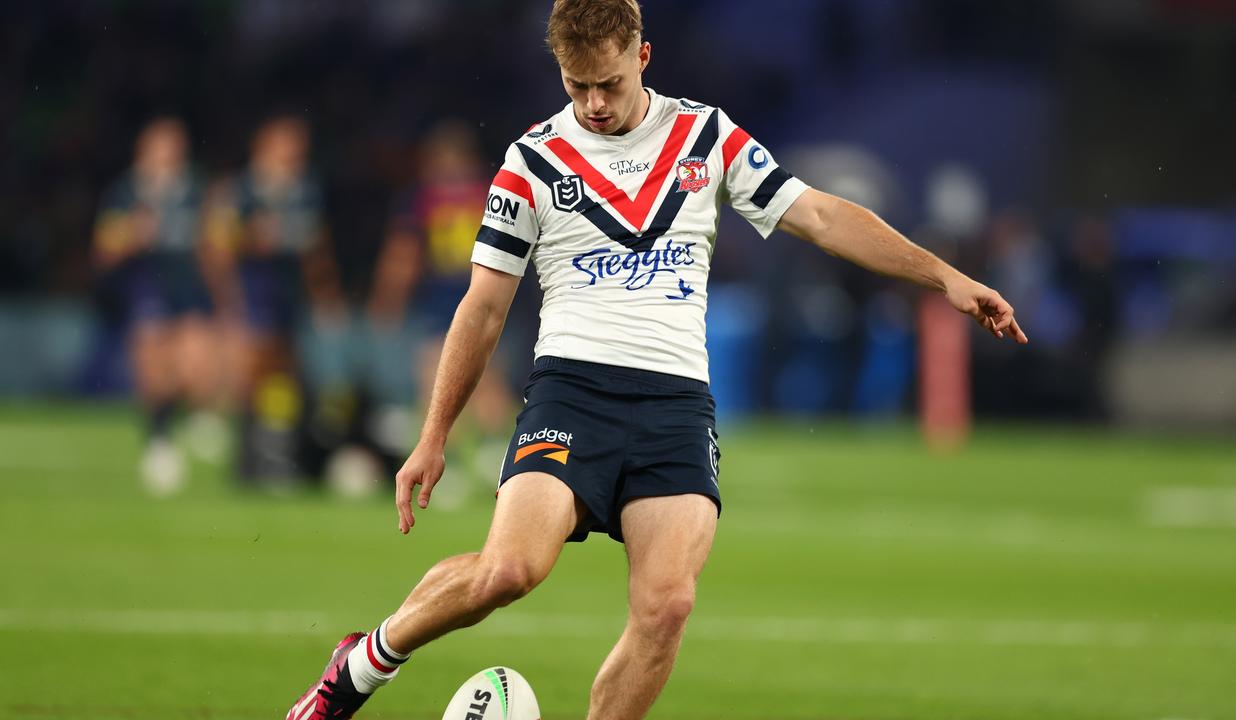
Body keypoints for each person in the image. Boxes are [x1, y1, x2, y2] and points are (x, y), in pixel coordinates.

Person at [283, 1, 1028, 718]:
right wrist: (433, 434)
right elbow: (482, 307)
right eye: (577, 86)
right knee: (508, 572)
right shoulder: (532, 161)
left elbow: (824, 216)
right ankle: (359, 666)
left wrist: (947, 277)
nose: (595, 102)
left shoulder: (706, 137)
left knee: (668, 604)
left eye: (609, 82)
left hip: (674, 406)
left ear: (643, 56)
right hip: (571, 394)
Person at [366, 121, 514, 486]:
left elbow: (403, 255)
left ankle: (455, 466)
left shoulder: (423, 198)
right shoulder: (489, 191)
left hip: (450, 299)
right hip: (484, 298)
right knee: (482, 380)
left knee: (439, 380)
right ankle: (496, 457)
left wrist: (388, 300)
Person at [203, 115, 345, 482]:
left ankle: (277, 454)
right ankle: (247, 455)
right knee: (255, 371)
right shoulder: (241, 191)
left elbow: (317, 248)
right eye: (287, 146)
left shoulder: (304, 190)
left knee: (287, 374)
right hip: (255, 293)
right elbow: (218, 249)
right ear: (265, 147)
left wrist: (325, 296)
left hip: (288, 295)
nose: (295, 154)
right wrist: (228, 297)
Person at [93, 117, 221, 495]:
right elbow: (103, 249)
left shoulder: (194, 188)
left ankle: (193, 416)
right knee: (153, 368)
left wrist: (223, 293)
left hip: (189, 289)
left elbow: (211, 244)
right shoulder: (126, 192)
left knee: (197, 366)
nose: (170, 154)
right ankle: (159, 441)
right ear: (145, 150)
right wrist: (132, 234)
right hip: (146, 287)